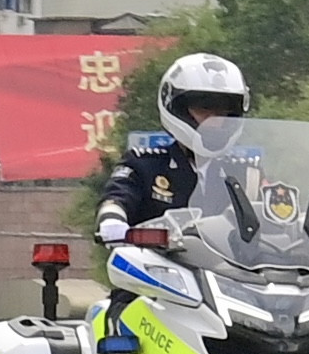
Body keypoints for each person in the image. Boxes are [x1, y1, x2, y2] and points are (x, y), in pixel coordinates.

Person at [94, 54, 252, 245]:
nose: (215, 119)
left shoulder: (245, 173)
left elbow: (272, 213)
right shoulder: (145, 165)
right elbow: (117, 197)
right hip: (159, 267)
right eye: (204, 107)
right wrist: (112, 220)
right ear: (178, 108)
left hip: (229, 271)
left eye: (223, 110)